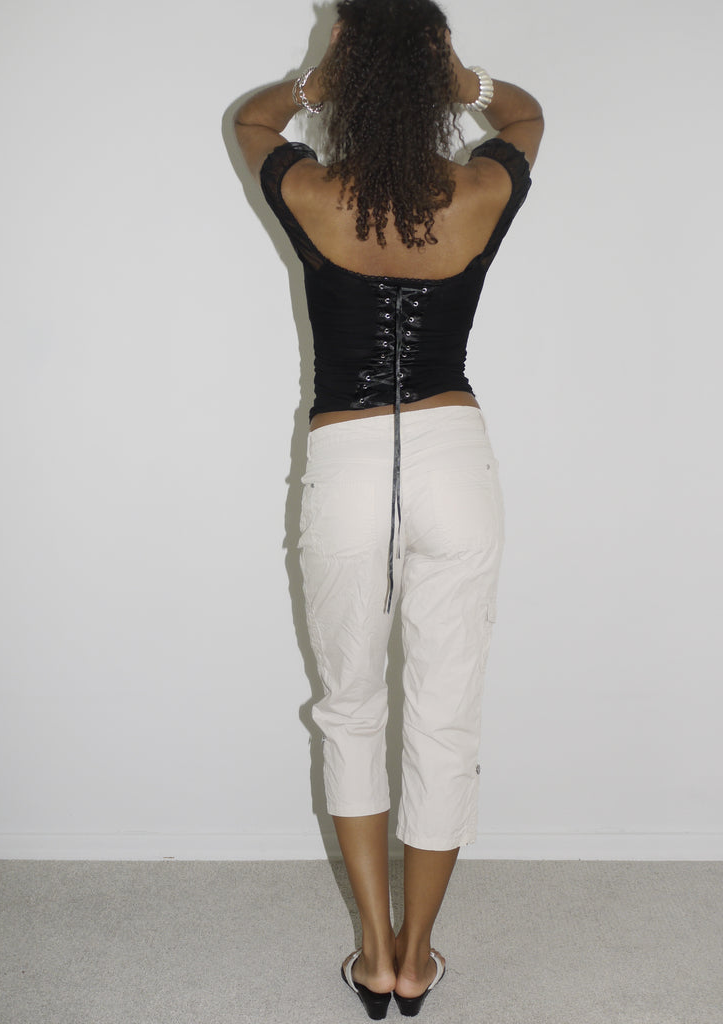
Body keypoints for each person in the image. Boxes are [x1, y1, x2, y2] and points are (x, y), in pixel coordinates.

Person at [234, 0, 543, 1017]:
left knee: (350, 708)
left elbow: (253, 124)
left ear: (358, 87)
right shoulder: (477, 191)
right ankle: (420, 952)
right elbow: (528, 119)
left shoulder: (317, 189)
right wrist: (468, 82)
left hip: (349, 461)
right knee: (444, 720)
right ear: (433, 83)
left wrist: (326, 69)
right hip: (457, 459)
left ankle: (374, 956)